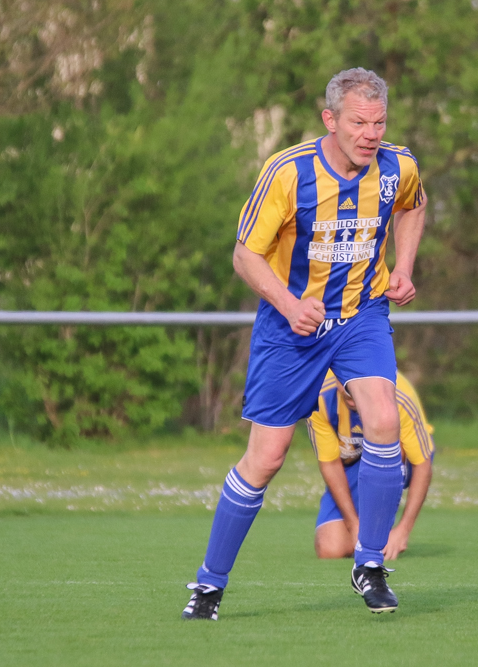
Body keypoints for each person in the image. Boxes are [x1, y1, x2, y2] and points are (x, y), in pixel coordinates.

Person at [182, 67, 427, 620]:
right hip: (291, 328)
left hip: (362, 315)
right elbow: (245, 254)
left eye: (379, 122)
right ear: (330, 119)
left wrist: (405, 267)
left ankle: (370, 565)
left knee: (383, 422)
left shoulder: (398, 166)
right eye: (359, 122)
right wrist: (291, 306)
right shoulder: (288, 173)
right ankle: (209, 583)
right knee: (265, 458)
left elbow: (413, 205)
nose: (370, 133)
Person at [308, 370, 434, 560]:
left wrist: (403, 530)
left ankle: (381, 527)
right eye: (344, 379)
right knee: (330, 549)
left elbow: (422, 465)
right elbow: (330, 464)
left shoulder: (399, 394)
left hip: (400, 457)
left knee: (391, 447)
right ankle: (366, 529)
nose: (350, 389)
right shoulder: (319, 397)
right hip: (352, 464)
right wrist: (352, 524)